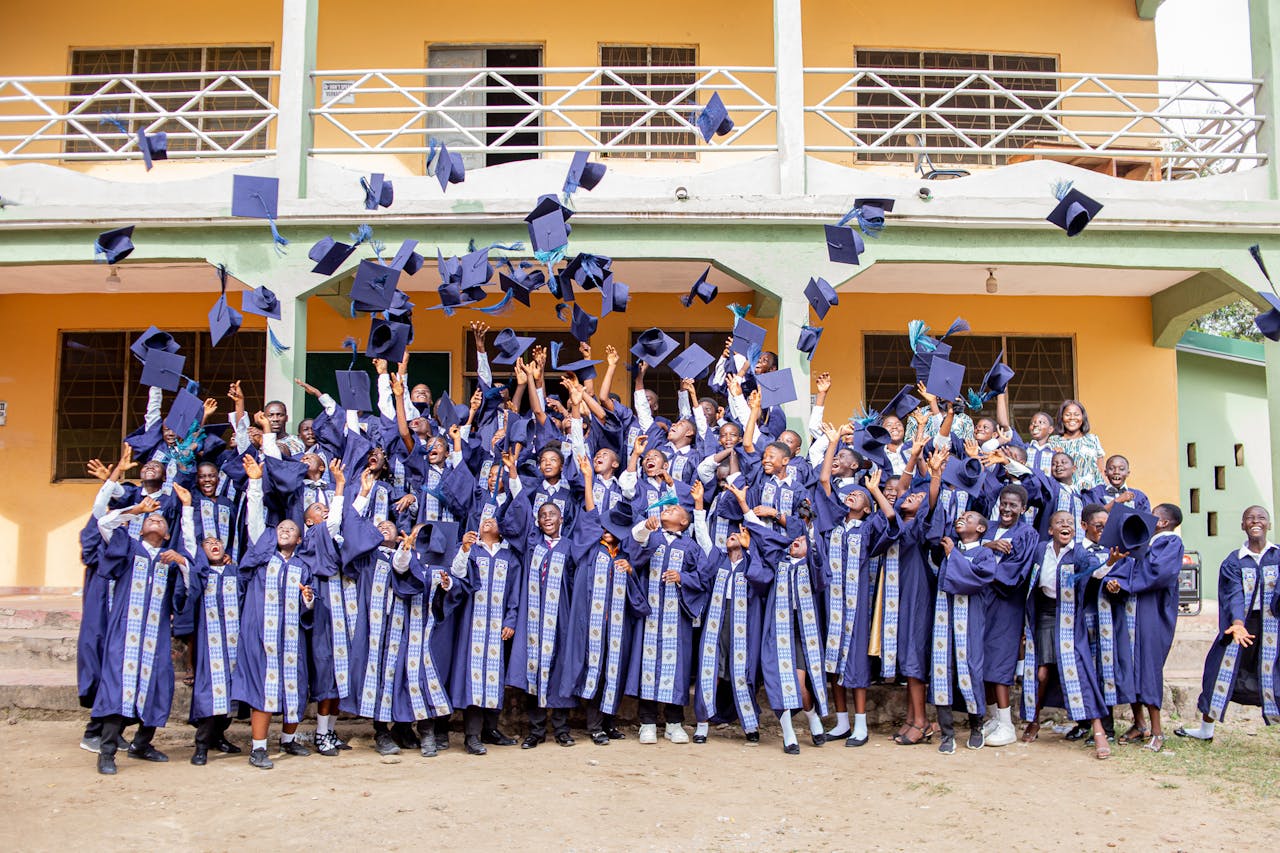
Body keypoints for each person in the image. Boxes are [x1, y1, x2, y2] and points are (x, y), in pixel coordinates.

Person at [90, 494, 189, 774]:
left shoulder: (170, 560)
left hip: (155, 637)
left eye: (160, 520)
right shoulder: (129, 548)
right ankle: (107, 751)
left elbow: (189, 589)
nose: (155, 520)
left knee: (159, 685)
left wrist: (181, 561)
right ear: (142, 528)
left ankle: (142, 744)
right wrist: (137, 509)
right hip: (125, 631)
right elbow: (106, 524)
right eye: (150, 519)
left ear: (168, 533)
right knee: (116, 686)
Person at [232, 454, 316, 770]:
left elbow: (310, 604)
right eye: (280, 526)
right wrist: (255, 481)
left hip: (291, 640)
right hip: (262, 636)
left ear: (299, 538)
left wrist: (308, 598)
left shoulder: (302, 566)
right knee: (262, 688)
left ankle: (289, 740)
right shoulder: (262, 557)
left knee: (294, 686)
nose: (284, 529)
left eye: (290, 527)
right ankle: (258, 748)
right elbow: (255, 520)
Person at [1176, 505, 1279, 741]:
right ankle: (1205, 731)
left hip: (1275, 626)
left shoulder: (1278, 556)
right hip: (1240, 626)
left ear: (1269, 524)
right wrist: (1238, 622)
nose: (1255, 521)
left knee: (1275, 675)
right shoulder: (1234, 561)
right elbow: (1234, 595)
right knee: (1219, 672)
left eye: (1261, 518)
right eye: (1249, 518)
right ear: (1242, 525)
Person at [1019, 511, 1112, 759]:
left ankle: (1098, 729)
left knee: (1079, 669)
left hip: (1069, 617)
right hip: (1045, 614)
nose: (1065, 525)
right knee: (1041, 673)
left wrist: (1110, 562)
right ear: (1050, 530)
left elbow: (1096, 571)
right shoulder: (1041, 550)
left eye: (1070, 523)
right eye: (1060, 522)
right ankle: (1034, 721)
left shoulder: (1079, 552)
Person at [1110, 502, 1184, 752]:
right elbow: (1122, 569)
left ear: (1162, 522)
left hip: (1151, 613)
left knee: (1148, 667)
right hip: (1130, 611)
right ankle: (1139, 724)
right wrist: (1115, 581)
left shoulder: (1170, 543)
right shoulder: (1143, 543)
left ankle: (1157, 731)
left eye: (1153, 517)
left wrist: (1127, 581)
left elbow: (1159, 573)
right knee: (1129, 664)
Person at [932, 510, 996, 754]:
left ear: (980, 529)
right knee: (941, 669)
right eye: (961, 516)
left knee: (971, 668)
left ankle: (976, 726)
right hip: (943, 618)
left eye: (969, 518)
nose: (962, 519)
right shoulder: (947, 547)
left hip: (970, 619)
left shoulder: (984, 553)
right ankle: (947, 733)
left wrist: (953, 556)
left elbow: (978, 580)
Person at [980, 483, 1039, 747]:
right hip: (982, 603)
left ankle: (1007, 723)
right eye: (1004, 503)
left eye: (1013, 505)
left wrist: (981, 564)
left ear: (1023, 508)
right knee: (982, 659)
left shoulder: (1027, 533)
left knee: (1000, 660)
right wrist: (988, 546)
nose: (1006, 508)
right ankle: (992, 717)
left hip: (1006, 604)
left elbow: (1014, 572)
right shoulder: (989, 528)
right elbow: (964, 549)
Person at [1049, 400, 1105, 492]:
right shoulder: (1053, 441)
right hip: (1066, 494)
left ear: (1083, 417)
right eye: (1067, 415)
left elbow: (1101, 470)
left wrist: (1107, 494)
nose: (1072, 418)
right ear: (1061, 418)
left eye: (1076, 414)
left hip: (1093, 494)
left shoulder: (1093, 439)